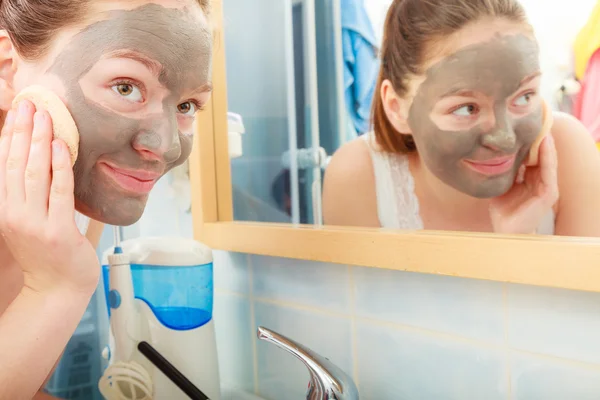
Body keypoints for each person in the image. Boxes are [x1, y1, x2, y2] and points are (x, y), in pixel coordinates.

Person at [0, 0, 213, 398]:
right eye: (126, 87)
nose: (166, 147)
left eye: (187, 105)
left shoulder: (73, 201)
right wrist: (55, 288)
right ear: (7, 70)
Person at [323, 0, 600, 237]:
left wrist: (520, 241)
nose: (504, 138)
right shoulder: (359, 176)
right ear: (396, 108)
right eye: (466, 108)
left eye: (523, 97)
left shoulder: (570, 151)